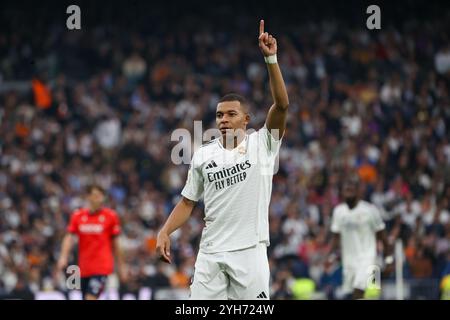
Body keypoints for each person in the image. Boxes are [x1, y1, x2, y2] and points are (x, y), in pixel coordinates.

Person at [156, 20, 289, 300]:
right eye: (219, 115)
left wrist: (271, 60)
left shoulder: (262, 143)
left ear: (246, 119)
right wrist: (165, 231)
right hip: (211, 253)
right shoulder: (204, 155)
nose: (224, 120)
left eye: (231, 114)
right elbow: (188, 202)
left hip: (249, 251)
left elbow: (282, 105)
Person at [56, 184, 128, 300]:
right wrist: (63, 256)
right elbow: (69, 237)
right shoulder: (78, 216)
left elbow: (116, 244)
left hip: (102, 267)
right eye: (94, 195)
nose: (97, 199)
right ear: (88, 197)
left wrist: (122, 266)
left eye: (100, 196)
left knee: (91, 298)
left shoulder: (110, 216)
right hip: (84, 268)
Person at [328, 174, 393, 299]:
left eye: (351, 189)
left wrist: (389, 260)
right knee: (362, 296)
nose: (348, 192)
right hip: (349, 262)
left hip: (369, 260)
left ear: (358, 191)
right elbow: (336, 237)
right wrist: (328, 257)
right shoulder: (338, 212)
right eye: (346, 190)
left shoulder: (370, 210)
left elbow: (383, 238)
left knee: (361, 292)